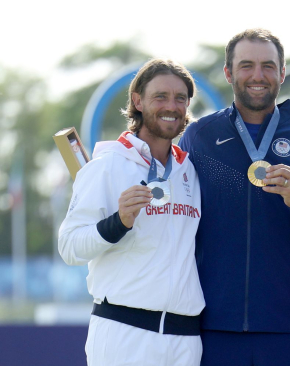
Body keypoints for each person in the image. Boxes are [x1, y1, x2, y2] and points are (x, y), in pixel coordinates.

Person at [179, 28, 290, 366]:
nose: (258, 76)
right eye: (246, 65)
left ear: (282, 73)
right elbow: (178, 220)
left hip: (289, 324)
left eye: (268, 66)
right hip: (212, 321)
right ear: (229, 72)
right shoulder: (200, 137)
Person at [58, 58, 205, 366]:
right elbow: (69, 247)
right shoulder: (106, 166)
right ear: (138, 101)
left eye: (181, 98)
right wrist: (119, 222)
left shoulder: (189, 169)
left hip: (185, 339)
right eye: (160, 97)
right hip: (124, 333)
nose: (172, 106)